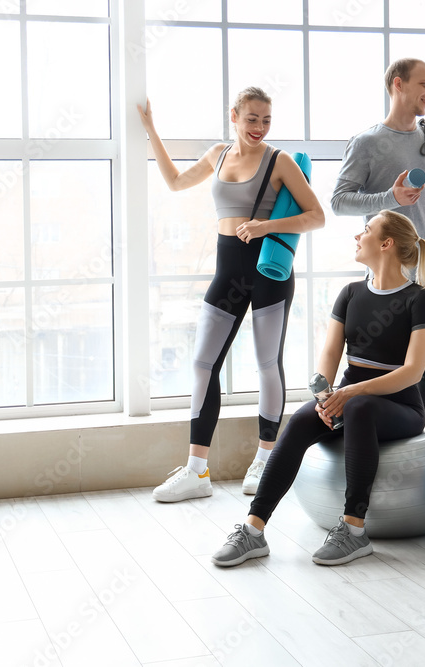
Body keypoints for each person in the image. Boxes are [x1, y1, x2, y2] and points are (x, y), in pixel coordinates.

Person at [211, 211, 425, 567]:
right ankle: (252, 530)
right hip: (350, 399)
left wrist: (350, 394)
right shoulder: (351, 293)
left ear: (386, 243)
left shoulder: (420, 299)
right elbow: (331, 353)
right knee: (302, 419)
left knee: (360, 408)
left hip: (401, 407)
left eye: (365, 230)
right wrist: (324, 397)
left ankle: (354, 530)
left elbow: (412, 372)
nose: (357, 237)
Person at [138, 87, 325, 501]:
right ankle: (196, 472)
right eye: (252, 118)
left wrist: (264, 227)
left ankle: (264, 459)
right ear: (234, 116)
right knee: (204, 363)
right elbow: (173, 182)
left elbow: (317, 216)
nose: (259, 127)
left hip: (268, 272)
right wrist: (151, 128)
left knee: (265, 363)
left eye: (266, 120)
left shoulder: (279, 162)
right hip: (228, 271)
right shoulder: (218, 155)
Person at [331, 58, 425, 480]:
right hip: (387, 280)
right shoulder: (366, 142)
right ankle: (379, 450)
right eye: (424, 84)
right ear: (398, 85)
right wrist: (388, 197)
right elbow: (340, 201)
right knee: (389, 365)